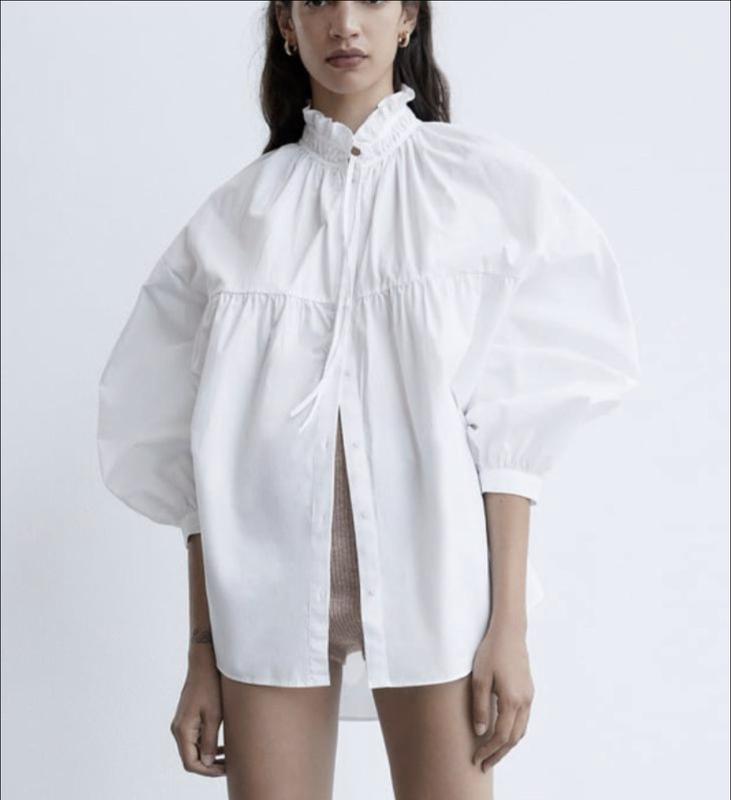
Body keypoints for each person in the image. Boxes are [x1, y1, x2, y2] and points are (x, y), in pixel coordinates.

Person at [96, 1, 641, 798]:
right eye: (318, 1)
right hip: (266, 602)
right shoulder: (235, 220)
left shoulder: (479, 190)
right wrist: (202, 654)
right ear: (286, 25)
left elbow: (511, 430)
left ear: (408, 18)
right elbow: (194, 466)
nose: (345, 23)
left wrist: (508, 629)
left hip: (436, 592)